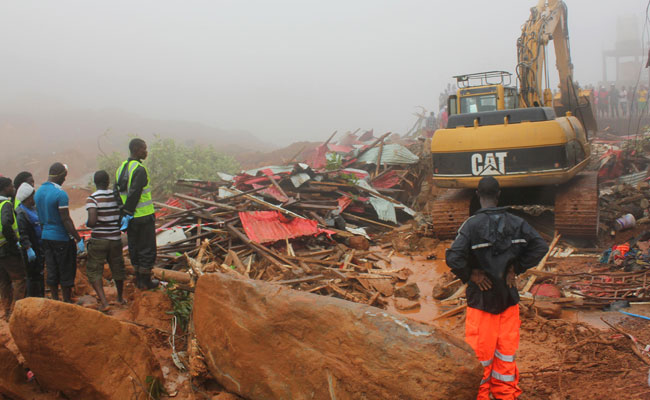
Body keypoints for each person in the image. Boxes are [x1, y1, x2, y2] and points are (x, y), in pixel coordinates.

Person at [446, 177, 549, 400]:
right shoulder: (516, 222)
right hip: (508, 301)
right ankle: (505, 395)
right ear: (499, 194)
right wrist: (517, 267)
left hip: (482, 303)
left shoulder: (471, 225)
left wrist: (472, 274)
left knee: (480, 357)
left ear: (477, 195)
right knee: (505, 355)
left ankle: (481, 396)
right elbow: (540, 246)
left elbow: (453, 257)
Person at [34, 163, 82, 303]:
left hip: (46, 237)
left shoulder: (38, 193)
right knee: (66, 269)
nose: (65, 180)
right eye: (64, 176)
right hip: (61, 238)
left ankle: (55, 300)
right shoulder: (60, 194)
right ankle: (67, 302)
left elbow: (40, 218)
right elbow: (65, 219)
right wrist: (78, 239)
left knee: (52, 268)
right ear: (60, 175)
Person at [116, 138, 159, 289]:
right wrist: (128, 212)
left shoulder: (121, 168)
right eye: (144, 149)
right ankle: (145, 282)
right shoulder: (139, 169)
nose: (146, 152)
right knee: (147, 248)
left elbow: (117, 193)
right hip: (143, 217)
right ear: (135, 149)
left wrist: (123, 214)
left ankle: (138, 278)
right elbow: (134, 193)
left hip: (131, 219)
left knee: (134, 247)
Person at [85, 170, 126, 310]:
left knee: (94, 270)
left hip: (99, 240)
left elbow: (92, 221)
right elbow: (121, 215)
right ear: (108, 182)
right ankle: (120, 297)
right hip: (115, 238)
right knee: (117, 267)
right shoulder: (116, 197)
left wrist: (88, 223)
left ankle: (104, 302)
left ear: (95, 183)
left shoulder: (93, 199)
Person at [0, 177, 26, 319]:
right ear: (5, 188)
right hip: (7, 248)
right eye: (11, 186)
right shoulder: (5, 204)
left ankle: (7, 311)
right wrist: (14, 241)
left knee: (4, 281)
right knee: (19, 279)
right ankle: (17, 312)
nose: (13, 189)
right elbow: (5, 224)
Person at [15, 183, 44, 297]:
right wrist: (28, 248)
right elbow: (23, 232)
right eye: (33, 196)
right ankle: (33, 299)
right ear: (28, 198)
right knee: (33, 276)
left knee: (40, 273)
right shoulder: (21, 213)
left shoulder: (34, 209)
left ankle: (41, 297)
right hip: (31, 249)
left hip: (38, 245)